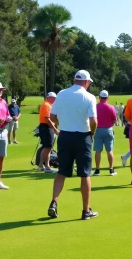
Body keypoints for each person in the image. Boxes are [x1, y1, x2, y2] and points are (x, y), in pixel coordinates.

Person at [47, 70, 98, 220]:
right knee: (84, 173)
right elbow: (94, 121)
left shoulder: (61, 93)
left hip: (65, 135)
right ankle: (85, 211)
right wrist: (92, 133)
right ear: (86, 82)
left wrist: (63, 124)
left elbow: (52, 116)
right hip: (83, 136)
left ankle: (54, 202)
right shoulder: (89, 97)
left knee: (62, 172)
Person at [93, 90, 117, 176]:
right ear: (107, 98)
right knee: (109, 150)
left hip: (97, 130)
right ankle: (111, 169)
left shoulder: (95, 107)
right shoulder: (111, 107)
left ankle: (97, 170)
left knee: (98, 151)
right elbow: (114, 120)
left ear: (99, 97)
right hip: (108, 129)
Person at [37, 92, 59, 173]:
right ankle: (42, 165)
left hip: (47, 127)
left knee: (48, 147)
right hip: (46, 127)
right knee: (47, 147)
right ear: (49, 98)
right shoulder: (46, 105)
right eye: (54, 98)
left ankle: (46, 166)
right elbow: (47, 119)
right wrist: (55, 129)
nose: (55, 100)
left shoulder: (49, 105)